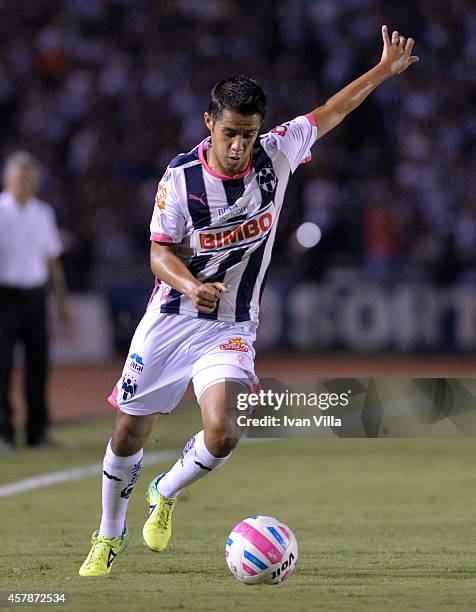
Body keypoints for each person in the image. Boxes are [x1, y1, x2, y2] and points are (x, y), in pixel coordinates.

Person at [79, 25, 418, 576]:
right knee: (128, 432)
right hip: (170, 318)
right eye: (231, 133)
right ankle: (108, 534)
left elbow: (332, 111)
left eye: (250, 134)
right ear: (209, 123)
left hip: (230, 324)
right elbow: (159, 254)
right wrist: (191, 285)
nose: (240, 146)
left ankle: (164, 491)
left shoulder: (276, 151)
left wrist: (383, 70)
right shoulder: (180, 179)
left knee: (224, 429)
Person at [0, 152, 69, 450]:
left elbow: (51, 258)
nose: (25, 185)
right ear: (8, 181)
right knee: (2, 366)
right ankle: (3, 432)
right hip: (5, 296)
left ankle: (37, 431)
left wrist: (61, 298)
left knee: (38, 366)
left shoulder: (43, 212)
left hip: (35, 296)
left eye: (30, 180)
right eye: (20, 179)